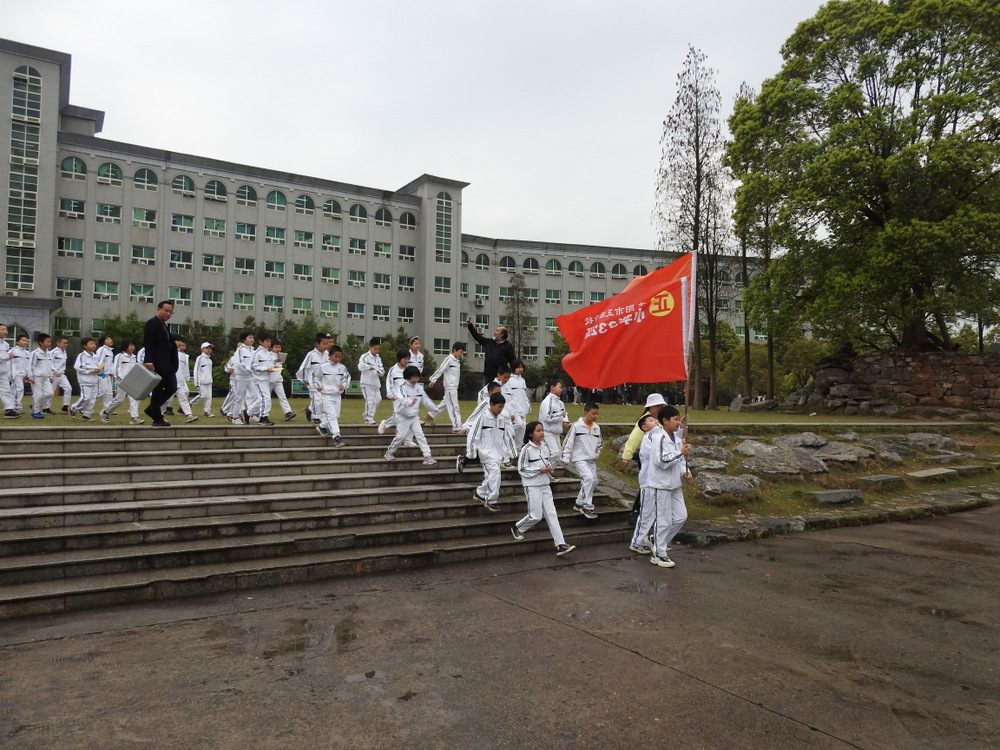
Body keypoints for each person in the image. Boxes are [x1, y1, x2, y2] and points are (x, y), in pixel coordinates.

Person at [630, 406, 691, 568]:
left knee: (680, 516)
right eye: (675, 419)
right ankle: (659, 554)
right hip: (661, 485)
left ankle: (656, 541)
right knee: (663, 520)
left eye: (678, 419)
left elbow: (680, 462)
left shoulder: (676, 439)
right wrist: (680, 453)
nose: (677, 422)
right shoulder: (658, 438)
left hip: (675, 484)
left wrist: (685, 472)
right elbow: (661, 461)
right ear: (665, 420)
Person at [511, 421, 576, 557]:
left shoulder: (545, 447)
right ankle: (517, 527)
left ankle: (560, 544)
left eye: (542, 430)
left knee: (552, 514)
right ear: (531, 434)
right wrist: (538, 470)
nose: (542, 433)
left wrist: (548, 470)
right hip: (532, 485)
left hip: (545, 485)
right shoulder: (526, 449)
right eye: (538, 431)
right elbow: (522, 469)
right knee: (535, 515)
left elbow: (546, 463)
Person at [466, 391, 515, 512]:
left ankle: (480, 493)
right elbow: (473, 435)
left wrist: (512, 452)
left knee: (492, 476)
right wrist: (471, 452)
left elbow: (507, 437)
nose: (501, 410)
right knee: (495, 473)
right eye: (499, 407)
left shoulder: (502, 420)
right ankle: (491, 500)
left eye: (502, 407)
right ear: (491, 404)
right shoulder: (483, 418)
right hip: (486, 453)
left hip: (497, 454)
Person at [383, 365, 438, 465]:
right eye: (413, 377)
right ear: (408, 377)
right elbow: (401, 398)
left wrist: (435, 409)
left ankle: (427, 456)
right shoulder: (401, 387)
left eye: (417, 377)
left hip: (414, 417)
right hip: (402, 416)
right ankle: (389, 452)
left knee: (420, 436)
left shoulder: (419, 388)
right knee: (400, 437)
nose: (415, 379)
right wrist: (409, 402)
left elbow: (426, 400)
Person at [562, 402, 602, 519]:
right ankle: (586, 506)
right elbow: (568, 442)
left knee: (594, 481)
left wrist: (596, 453)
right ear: (586, 412)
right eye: (593, 413)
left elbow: (600, 443)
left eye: (597, 414)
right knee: (588, 478)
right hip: (579, 459)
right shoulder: (576, 426)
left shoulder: (596, 428)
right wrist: (566, 458)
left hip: (590, 460)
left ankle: (579, 503)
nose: (595, 416)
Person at [142, 300, 178, 426]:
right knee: (157, 391)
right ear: (158, 309)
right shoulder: (152, 323)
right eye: (166, 311)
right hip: (157, 363)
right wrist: (148, 360)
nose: (168, 314)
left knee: (172, 387)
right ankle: (157, 418)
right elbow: (149, 343)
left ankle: (151, 409)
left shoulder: (163, 325)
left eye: (170, 312)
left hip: (167, 364)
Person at [314, 345, 351, 446]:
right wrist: (318, 386)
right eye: (335, 356)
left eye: (340, 357)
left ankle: (322, 426)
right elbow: (315, 377)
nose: (337, 359)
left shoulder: (342, 367)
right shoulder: (323, 367)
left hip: (337, 395)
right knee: (332, 415)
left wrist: (343, 385)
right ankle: (337, 436)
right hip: (326, 395)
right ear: (330, 356)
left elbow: (346, 377)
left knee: (336, 415)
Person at [101, 338, 142, 423]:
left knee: (134, 398)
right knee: (119, 400)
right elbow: (116, 368)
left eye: (133, 345)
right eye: (130, 345)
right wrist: (119, 378)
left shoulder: (134, 357)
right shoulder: (120, 356)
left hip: (131, 381)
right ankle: (106, 412)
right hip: (121, 381)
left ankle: (134, 418)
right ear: (125, 346)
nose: (132, 347)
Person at [295, 332, 333, 424]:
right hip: (312, 381)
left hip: (323, 382)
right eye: (324, 344)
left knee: (322, 400)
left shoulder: (327, 355)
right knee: (317, 399)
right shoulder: (311, 355)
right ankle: (316, 417)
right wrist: (305, 380)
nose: (326, 346)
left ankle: (309, 409)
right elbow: (305, 368)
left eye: (327, 344)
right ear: (317, 344)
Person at [428, 341, 465, 431]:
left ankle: (431, 415)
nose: (461, 354)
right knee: (454, 407)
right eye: (460, 352)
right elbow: (441, 369)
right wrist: (433, 380)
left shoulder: (456, 361)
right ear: (454, 350)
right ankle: (457, 427)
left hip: (454, 387)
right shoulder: (449, 359)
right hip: (450, 387)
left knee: (445, 404)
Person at [466, 318, 515, 386]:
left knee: (499, 391)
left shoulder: (508, 346)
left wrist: (514, 372)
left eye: (497, 331)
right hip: (488, 374)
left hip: (500, 376)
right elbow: (477, 336)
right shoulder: (489, 342)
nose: (495, 332)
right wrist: (470, 325)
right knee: (488, 391)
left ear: (502, 334)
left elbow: (512, 360)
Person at [69, 337, 105, 420]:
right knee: (86, 397)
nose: (94, 345)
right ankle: (74, 407)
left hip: (94, 381)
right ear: (85, 346)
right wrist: (92, 370)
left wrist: (100, 370)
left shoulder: (96, 357)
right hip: (85, 381)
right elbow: (79, 367)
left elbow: (99, 367)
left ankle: (87, 415)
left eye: (94, 344)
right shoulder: (82, 356)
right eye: (91, 344)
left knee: (92, 399)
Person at [248, 331, 279, 426]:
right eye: (267, 341)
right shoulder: (257, 353)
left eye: (270, 342)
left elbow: (269, 364)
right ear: (261, 342)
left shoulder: (268, 353)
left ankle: (248, 413)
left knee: (260, 399)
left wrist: (274, 366)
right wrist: (265, 369)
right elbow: (253, 366)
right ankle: (263, 417)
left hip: (266, 379)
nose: (269, 344)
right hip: (259, 379)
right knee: (266, 398)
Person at [377, 348, 411, 435]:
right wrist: (390, 394)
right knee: (399, 416)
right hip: (397, 397)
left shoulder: (409, 370)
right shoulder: (393, 369)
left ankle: (407, 439)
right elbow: (389, 382)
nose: (406, 361)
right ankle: (386, 423)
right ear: (400, 358)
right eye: (405, 359)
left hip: (407, 397)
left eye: (408, 359)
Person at [538, 379, 569, 465]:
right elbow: (547, 417)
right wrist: (560, 416)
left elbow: (564, 414)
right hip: (547, 431)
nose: (561, 389)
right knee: (554, 453)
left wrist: (565, 421)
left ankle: (548, 471)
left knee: (558, 455)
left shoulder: (560, 403)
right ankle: (544, 469)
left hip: (556, 432)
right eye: (560, 387)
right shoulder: (547, 402)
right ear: (552, 387)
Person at [169, 339, 199, 422]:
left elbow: (183, 369)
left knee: (183, 398)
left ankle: (189, 415)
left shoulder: (182, 355)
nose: (180, 346)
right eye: (178, 344)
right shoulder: (168, 353)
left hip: (180, 382)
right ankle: (157, 414)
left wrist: (185, 378)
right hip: (170, 381)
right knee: (166, 400)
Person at [504, 358, 531, 446]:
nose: (520, 369)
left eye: (521, 367)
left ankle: (517, 448)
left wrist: (528, 406)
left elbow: (525, 395)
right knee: (519, 425)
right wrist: (511, 411)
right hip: (515, 408)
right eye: (518, 367)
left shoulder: (522, 380)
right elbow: (509, 396)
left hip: (523, 408)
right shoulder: (509, 380)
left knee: (523, 428)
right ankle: (506, 435)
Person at [358, 337, 384, 425]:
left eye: (378, 349)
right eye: (375, 349)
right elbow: (360, 366)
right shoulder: (364, 356)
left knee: (378, 399)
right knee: (370, 400)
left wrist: (380, 372)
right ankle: (369, 418)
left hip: (376, 383)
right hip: (366, 383)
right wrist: (369, 367)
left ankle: (367, 414)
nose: (377, 351)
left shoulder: (378, 358)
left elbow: (382, 369)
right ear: (370, 347)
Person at [28, 333, 54, 418]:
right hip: (37, 377)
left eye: (50, 342)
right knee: (38, 394)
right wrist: (31, 377)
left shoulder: (49, 354)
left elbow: (50, 366)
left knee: (50, 393)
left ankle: (35, 405)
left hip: (46, 377)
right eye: (48, 342)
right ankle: (35, 412)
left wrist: (51, 376)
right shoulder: (35, 353)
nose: (49, 343)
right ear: (41, 342)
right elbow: (31, 365)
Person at [268, 340, 295, 421]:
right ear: (271, 348)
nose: (278, 349)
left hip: (278, 380)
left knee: (282, 397)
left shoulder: (281, 356)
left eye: (279, 347)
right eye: (276, 347)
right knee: (266, 398)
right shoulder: (268, 355)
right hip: (269, 380)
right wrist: (274, 362)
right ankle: (259, 413)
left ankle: (288, 412)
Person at [192, 342, 215, 418]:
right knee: (202, 396)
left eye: (210, 348)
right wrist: (196, 382)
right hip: (202, 381)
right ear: (202, 349)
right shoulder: (200, 358)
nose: (209, 350)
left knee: (209, 397)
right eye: (207, 348)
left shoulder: (209, 360)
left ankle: (207, 411)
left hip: (209, 381)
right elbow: (196, 370)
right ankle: (190, 405)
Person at [94, 334, 116, 414]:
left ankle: (107, 410)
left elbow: (110, 363)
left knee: (109, 393)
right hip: (101, 374)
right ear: (103, 341)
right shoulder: (102, 350)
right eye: (108, 339)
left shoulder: (110, 351)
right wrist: (100, 371)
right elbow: (99, 361)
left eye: (110, 339)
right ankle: (84, 406)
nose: (110, 340)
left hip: (107, 375)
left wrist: (112, 372)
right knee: (100, 392)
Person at [51, 336, 72, 413]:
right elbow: (49, 363)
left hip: (62, 375)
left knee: (68, 388)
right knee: (50, 392)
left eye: (67, 343)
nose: (66, 345)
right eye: (64, 343)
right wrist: (54, 371)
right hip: (54, 375)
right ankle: (45, 407)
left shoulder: (65, 352)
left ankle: (65, 406)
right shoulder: (53, 352)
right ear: (58, 343)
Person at [9, 333, 29, 414]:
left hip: (22, 374)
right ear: (17, 342)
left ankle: (11, 405)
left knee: (14, 390)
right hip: (15, 374)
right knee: (19, 389)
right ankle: (17, 406)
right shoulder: (13, 351)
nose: (26, 342)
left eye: (26, 341)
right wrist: (11, 374)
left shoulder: (27, 353)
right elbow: (9, 363)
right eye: (23, 340)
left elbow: (28, 364)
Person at [0, 323, 17, 418]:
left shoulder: (6, 344)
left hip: (3, 371)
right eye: (2, 329)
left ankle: (9, 409)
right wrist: (7, 356)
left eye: (6, 329)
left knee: (6, 390)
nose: (5, 331)